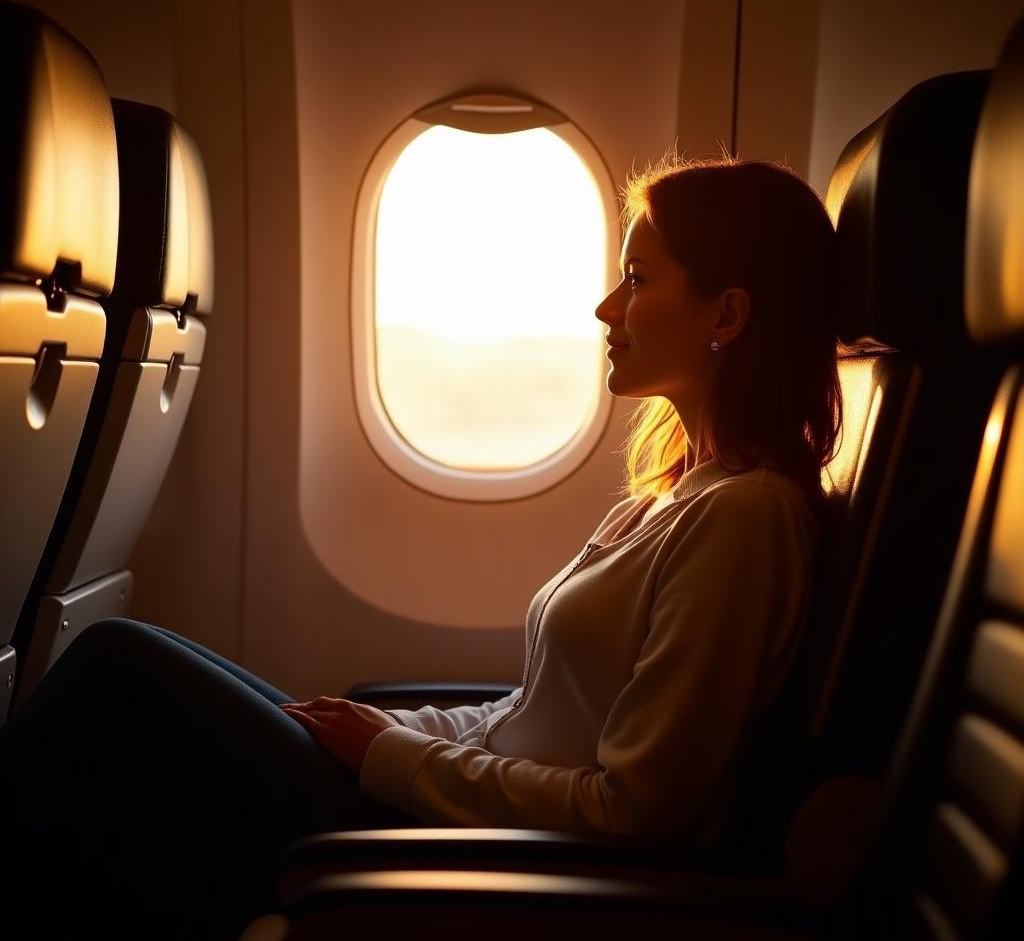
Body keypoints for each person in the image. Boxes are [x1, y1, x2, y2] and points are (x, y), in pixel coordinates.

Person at [0, 154, 841, 937]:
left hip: (489, 849)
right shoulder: (675, 494)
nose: (606, 309)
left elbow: (638, 813)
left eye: (638, 279)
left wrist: (393, 756)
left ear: (726, 314)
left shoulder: (746, 521)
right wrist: (396, 729)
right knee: (135, 775)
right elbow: (528, 714)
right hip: (449, 803)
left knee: (119, 668)